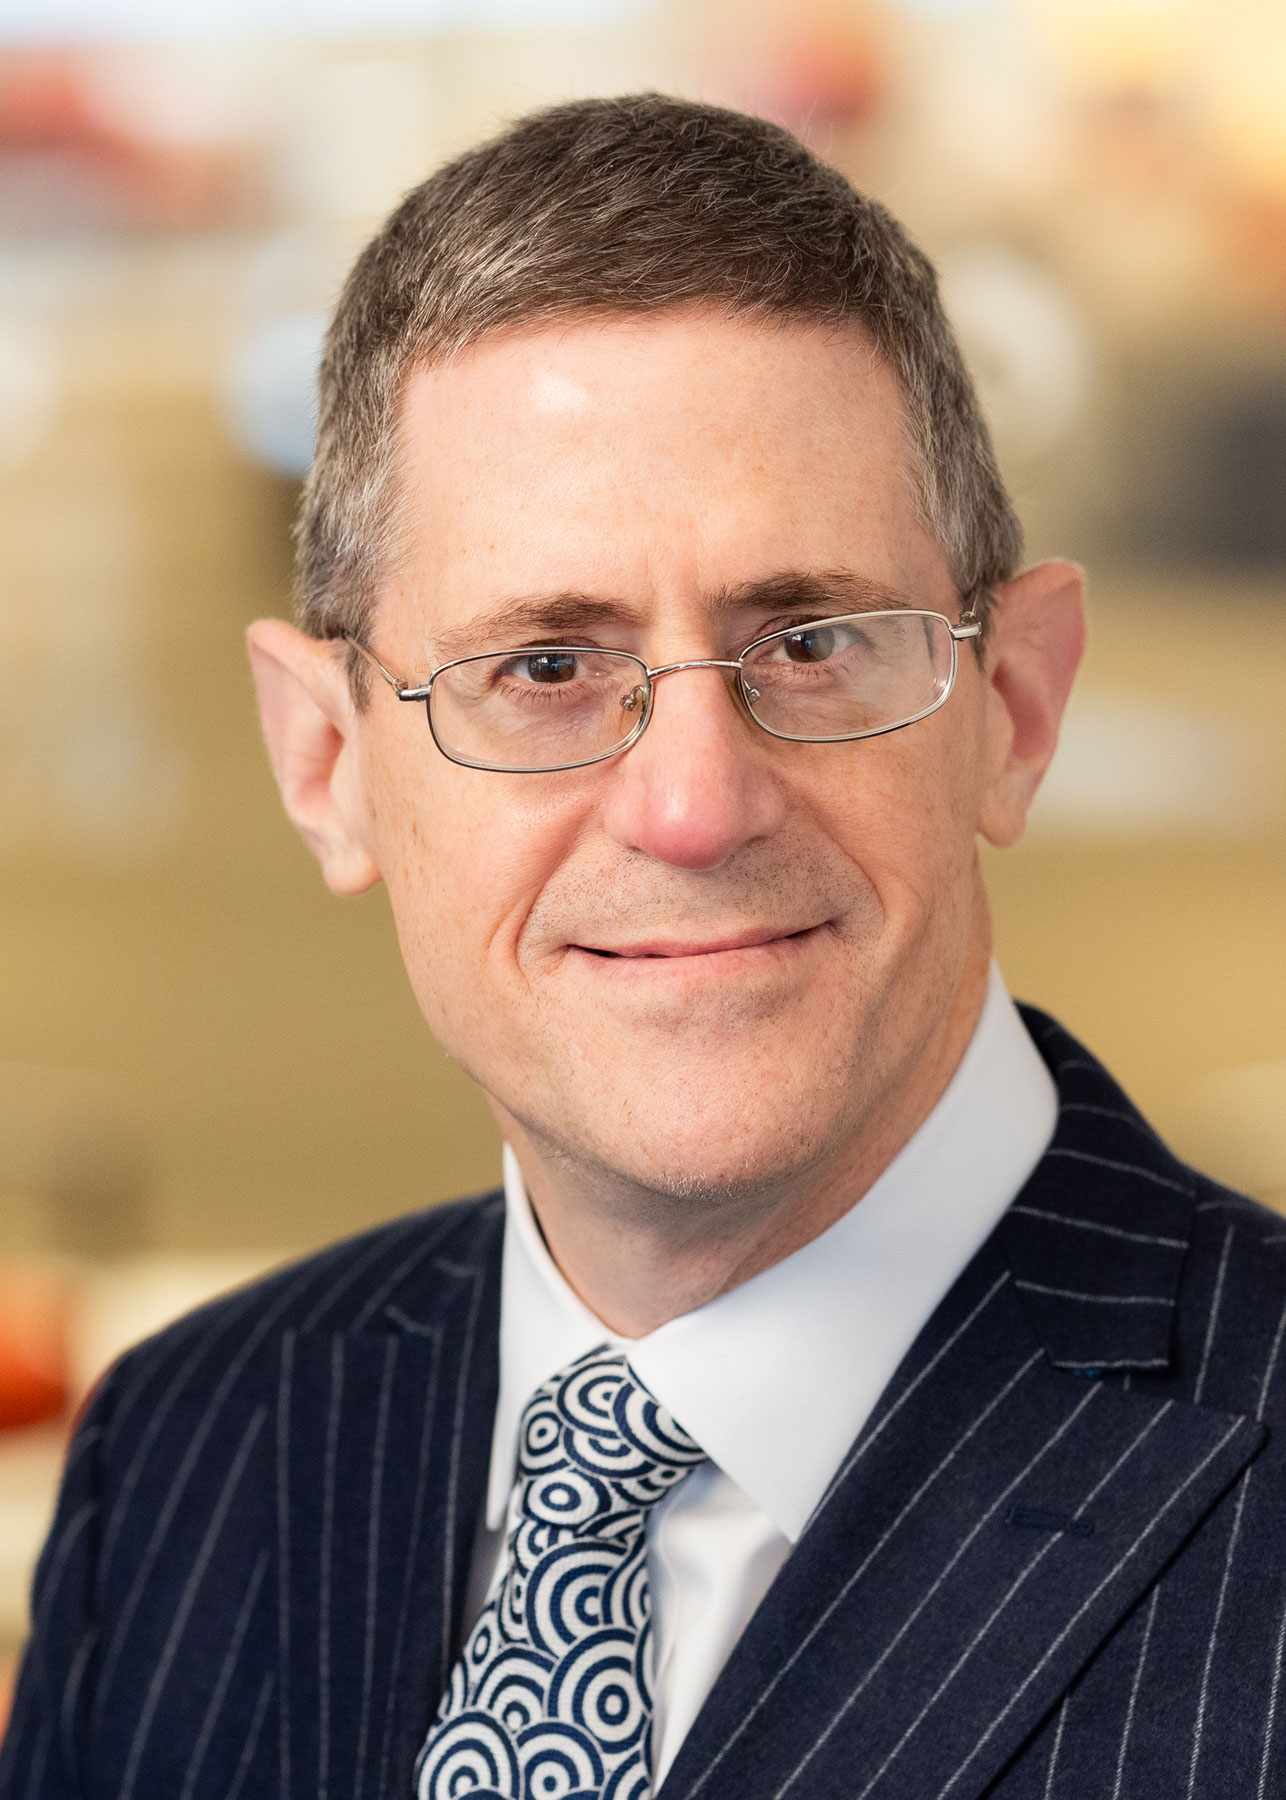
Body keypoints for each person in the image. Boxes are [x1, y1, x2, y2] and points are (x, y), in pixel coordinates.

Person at [3, 93, 1284, 1800]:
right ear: (324, 763)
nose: (691, 806)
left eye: (811, 642)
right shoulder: (185, 1457)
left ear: (1016, 705)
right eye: (544, 669)